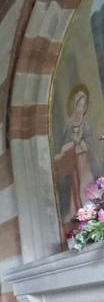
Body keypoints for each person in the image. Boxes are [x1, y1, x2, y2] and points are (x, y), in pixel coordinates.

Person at [55, 86, 103, 223]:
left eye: (83, 105)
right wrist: (71, 145)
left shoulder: (86, 124)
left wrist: (79, 142)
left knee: (87, 186)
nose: (80, 108)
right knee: (77, 187)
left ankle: (93, 214)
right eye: (79, 105)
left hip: (85, 161)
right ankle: (84, 216)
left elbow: (89, 144)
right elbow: (63, 146)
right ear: (74, 105)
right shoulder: (69, 125)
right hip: (74, 163)